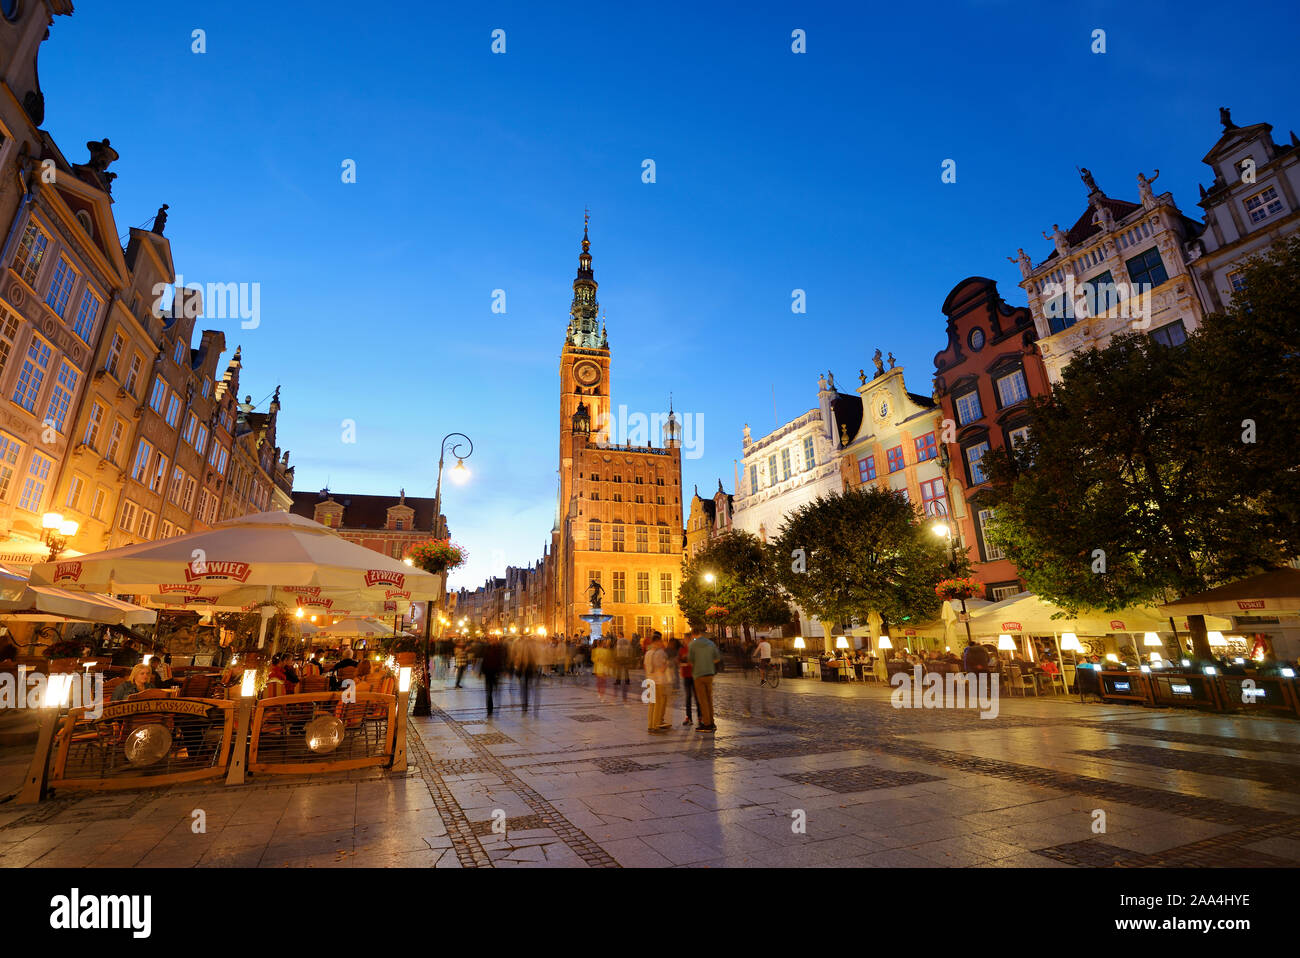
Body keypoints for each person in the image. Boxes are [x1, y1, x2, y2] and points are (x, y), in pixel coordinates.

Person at [687, 629, 721, 733]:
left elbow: (690, 661)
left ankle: (707, 724)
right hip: (710, 673)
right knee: (709, 698)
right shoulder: (710, 643)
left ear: (693, 634)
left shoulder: (692, 644)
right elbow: (717, 659)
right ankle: (711, 721)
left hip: (699, 674)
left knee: (703, 700)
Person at [644, 632, 672, 733]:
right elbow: (662, 669)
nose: (661, 643)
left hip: (649, 680)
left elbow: (645, 666)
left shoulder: (647, 653)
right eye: (660, 641)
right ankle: (656, 725)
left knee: (651, 704)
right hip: (658, 681)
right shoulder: (660, 653)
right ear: (657, 642)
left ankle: (650, 725)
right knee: (658, 704)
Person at [480, 635, 506, 716]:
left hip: (495, 672)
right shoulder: (486, 648)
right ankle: (489, 710)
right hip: (488, 672)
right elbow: (484, 660)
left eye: (494, 640)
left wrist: (502, 670)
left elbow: (502, 660)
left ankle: (493, 708)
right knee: (489, 692)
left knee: (495, 691)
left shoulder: (500, 649)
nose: (492, 641)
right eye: (491, 640)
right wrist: (481, 671)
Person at [678, 635, 695, 726]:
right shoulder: (682, 650)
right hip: (686, 675)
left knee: (697, 697)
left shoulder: (694, 649)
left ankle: (700, 718)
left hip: (694, 675)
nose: (685, 641)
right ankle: (689, 717)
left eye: (686, 639)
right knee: (688, 697)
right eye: (684, 640)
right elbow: (679, 661)